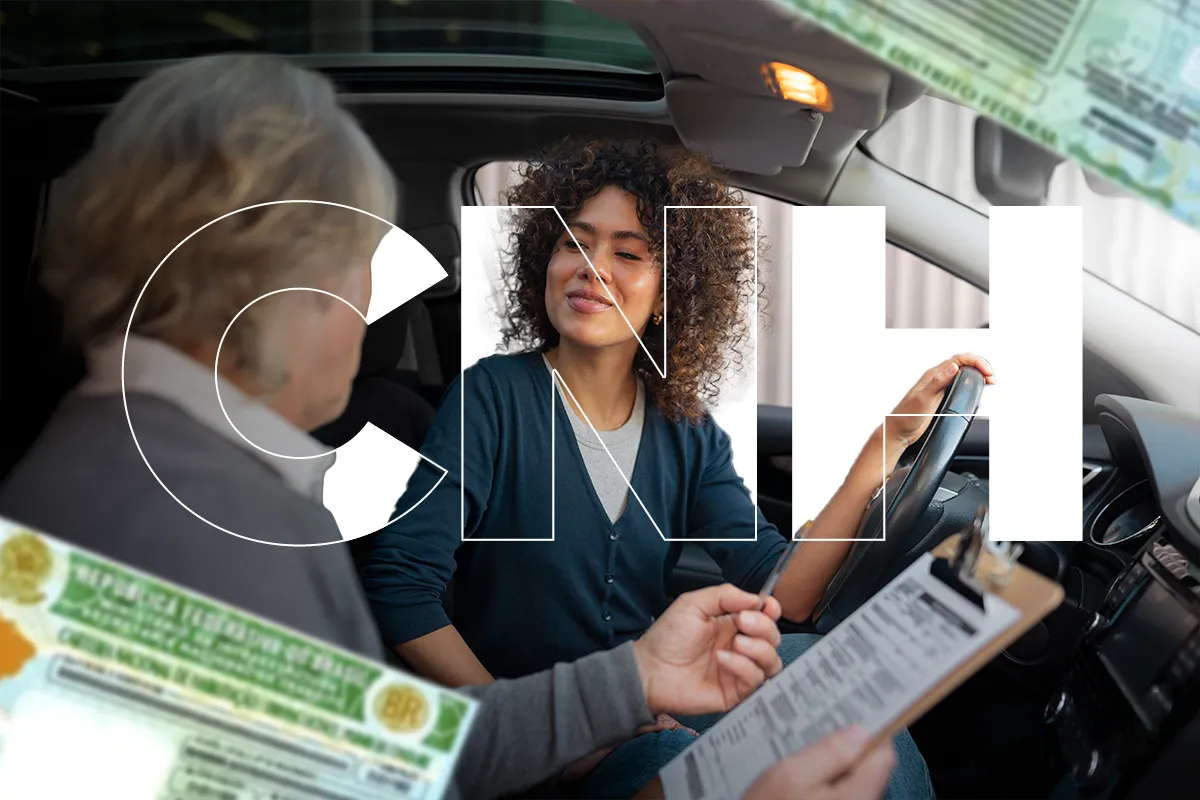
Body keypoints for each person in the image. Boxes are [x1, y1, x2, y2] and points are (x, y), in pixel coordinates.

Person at [0, 54, 873, 800]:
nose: (371, 315)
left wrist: (632, 678)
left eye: (631, 252)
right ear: (278, 276)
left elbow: (384, 751)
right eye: (362, 272)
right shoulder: (196, 525)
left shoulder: (151, 479)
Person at [361, 138, 997, 797]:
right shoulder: (491, 398)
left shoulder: (683, 430)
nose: (591, 267)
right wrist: (544, 732)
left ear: (670, 293)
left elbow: (786, 594)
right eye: (573, 243)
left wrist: (885, 446)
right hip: (542, 746)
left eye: (628, 253)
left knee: (845, 684)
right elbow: (400, 589)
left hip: (652, 707)